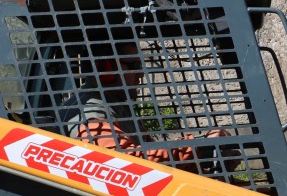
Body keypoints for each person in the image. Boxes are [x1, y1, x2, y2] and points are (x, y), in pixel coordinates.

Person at [60, 42, 229, 168]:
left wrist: (204, 160)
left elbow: (150, 150)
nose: (140, 73)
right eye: (134, 65)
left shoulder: (115, 105)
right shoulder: (91, 114)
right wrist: (198, 147)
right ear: (106, 69)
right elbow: (126, 163)